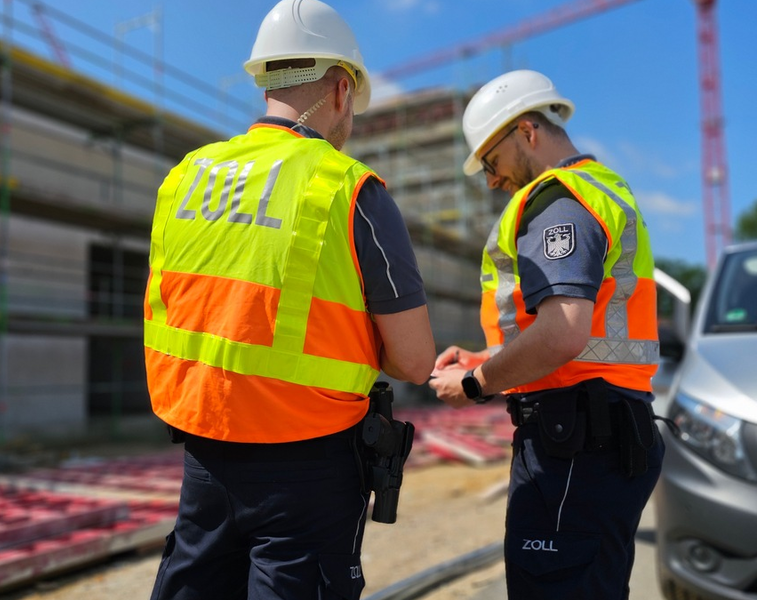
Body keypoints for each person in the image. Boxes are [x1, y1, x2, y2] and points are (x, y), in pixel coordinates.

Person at [143, 1, 435, 598]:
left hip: (204, 459)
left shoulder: (185, 177)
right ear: (341, 89)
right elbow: (413, 362)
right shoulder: (350, 189)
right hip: (309, 469)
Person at [428, 69, 664, 599]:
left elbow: (562, 333)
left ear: (527, 132)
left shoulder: (558, 199)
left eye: (491, 161)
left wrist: (475, 383)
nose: (490, 180)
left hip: (577, 444)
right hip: (601, 433)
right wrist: (486, 354)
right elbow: (585, 334)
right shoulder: (602, 190)